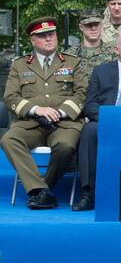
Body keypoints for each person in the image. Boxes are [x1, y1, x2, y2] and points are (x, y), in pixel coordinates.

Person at [1, 17, 87, 209]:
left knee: (65, 146)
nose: (49, 38)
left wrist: (60, 112)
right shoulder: (20, 65)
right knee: (9, 139)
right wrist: (36, 109)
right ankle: (40, 191)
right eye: (42, 36)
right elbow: (11, 97)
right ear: (33, 40)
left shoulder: (73, 62)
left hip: (64, 124)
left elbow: (82, 93)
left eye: (52, 34)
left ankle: (42, 190)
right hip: (30, 123)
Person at [72, 30, 121, 211]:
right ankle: (88, 192)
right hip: (106, 121)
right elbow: (90, 104)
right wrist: (111, 118)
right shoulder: (101, 71)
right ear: (117, 49)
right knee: (88, 131)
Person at [63, 8, 116, 82]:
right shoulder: (69, 55)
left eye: (96, 24)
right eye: (89, 25)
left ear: (101, 25)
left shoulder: (114, 54)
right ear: (81, 27)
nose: (93, 28)